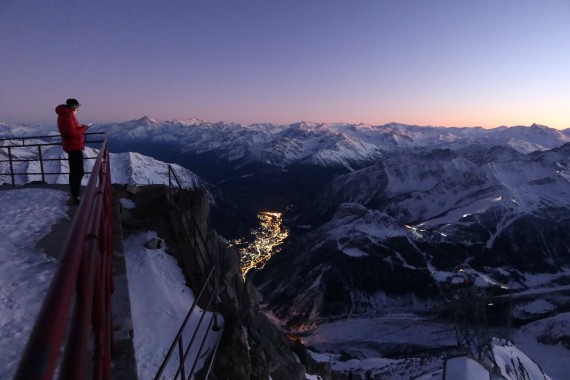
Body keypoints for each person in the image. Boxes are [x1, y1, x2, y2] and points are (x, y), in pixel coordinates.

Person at [55, 98, 90, 205]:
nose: (77, 109)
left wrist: (80, 127)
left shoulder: (65, 115)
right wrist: (84, 128)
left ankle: (75, 195)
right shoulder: (67, 116)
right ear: (73, 107)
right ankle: (75, 196)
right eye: (77, 107)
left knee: (76, 172)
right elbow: (72, 133)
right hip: (74, 147)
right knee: (77, 172)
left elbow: (71, 131)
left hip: (72, 146)